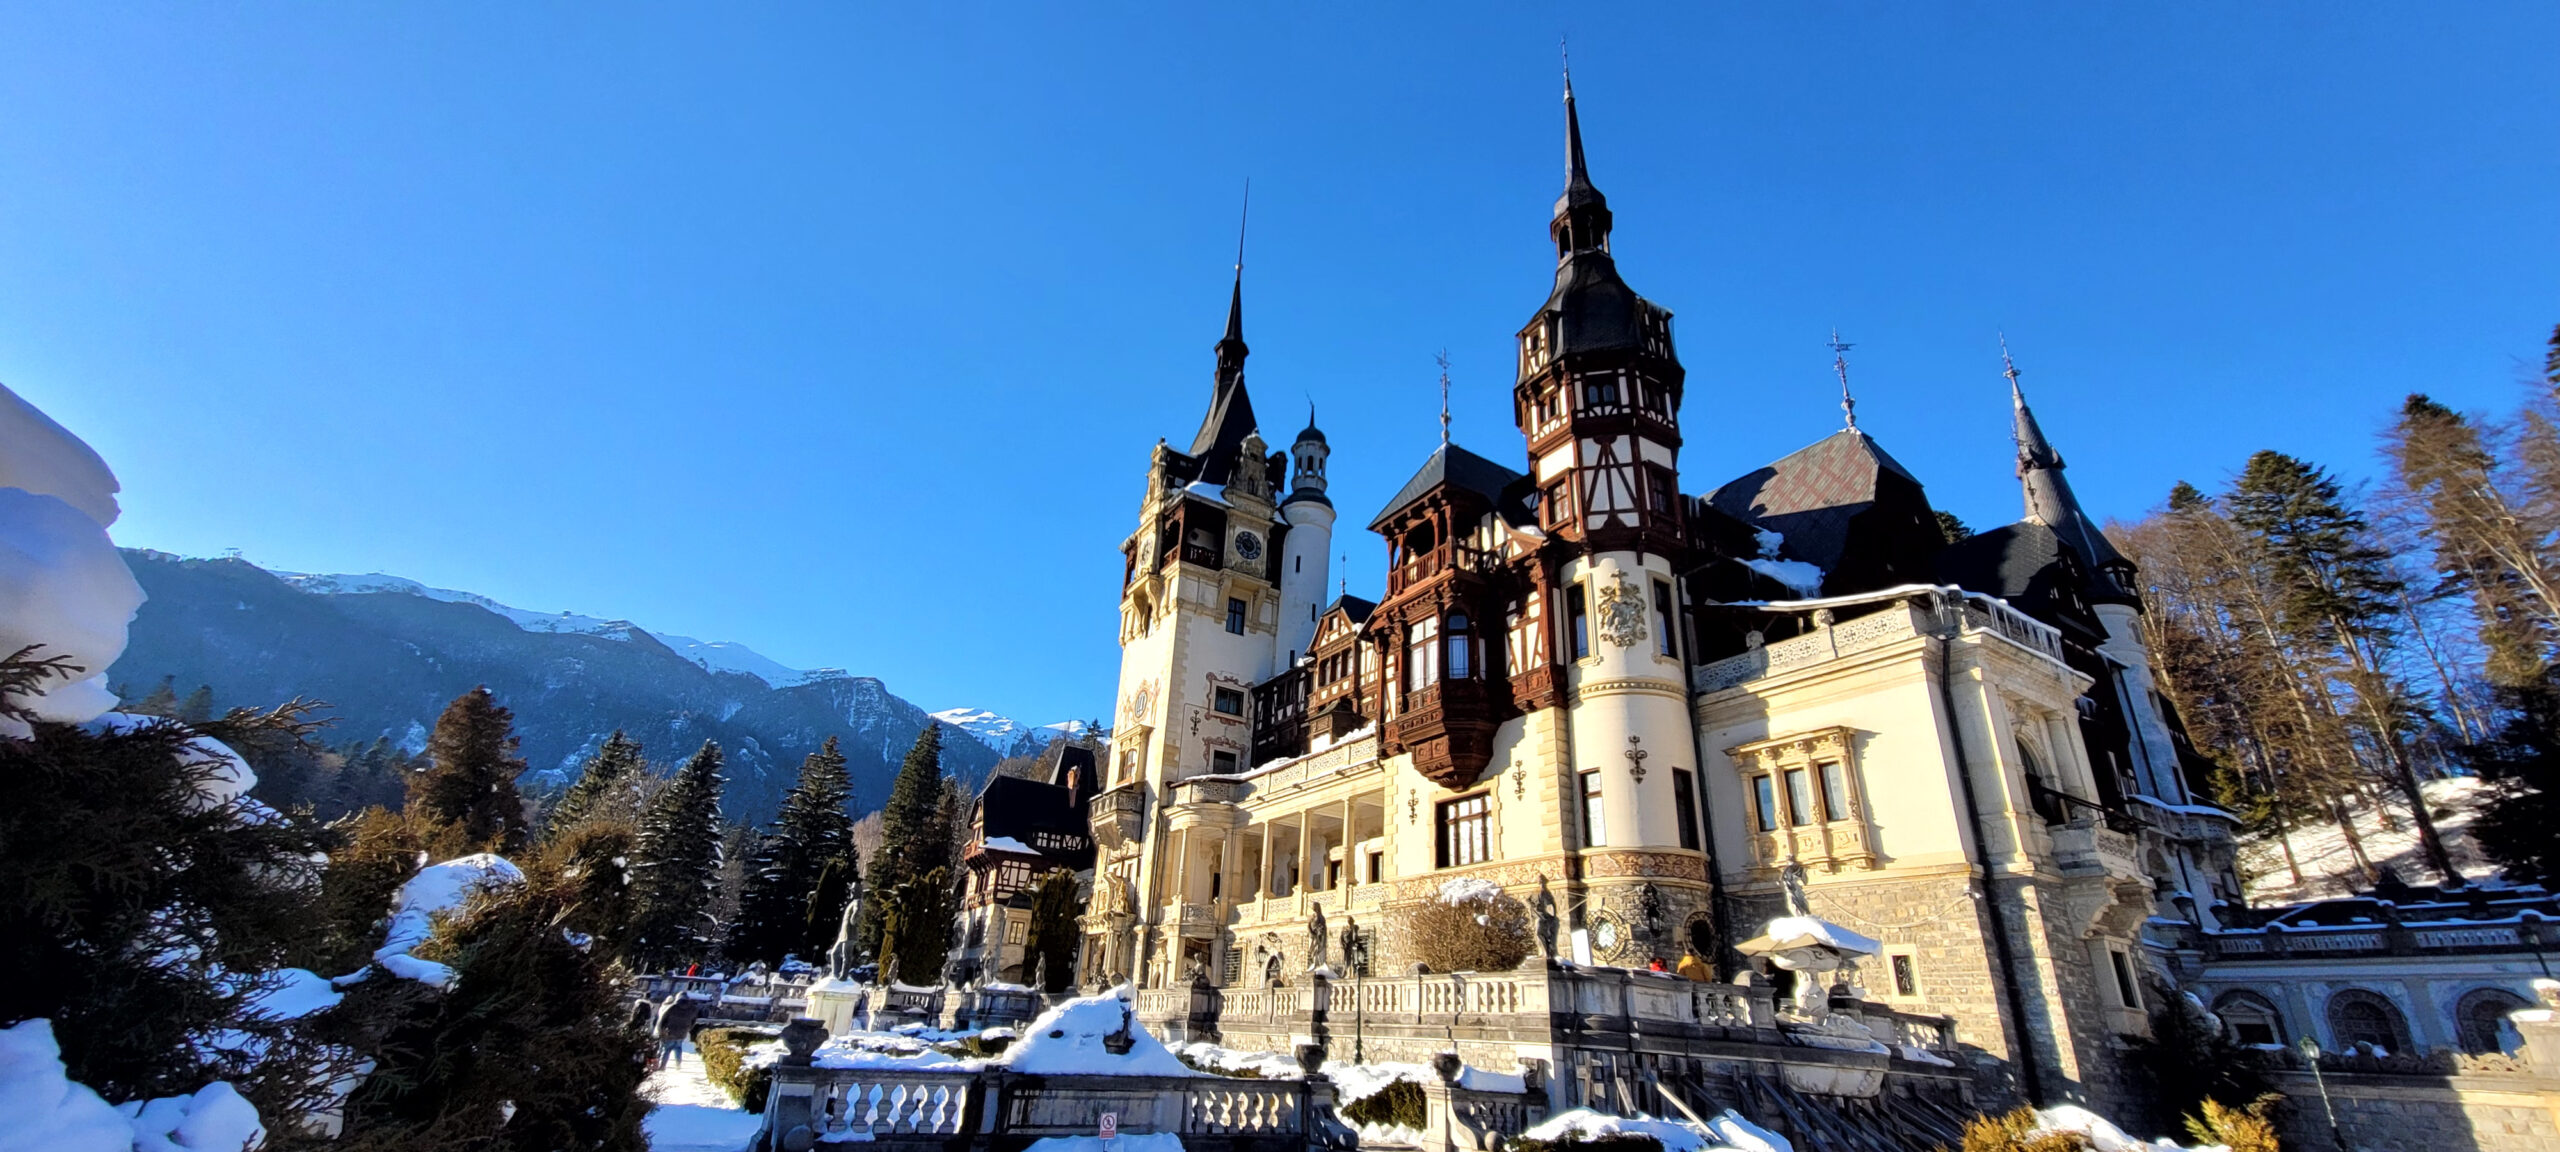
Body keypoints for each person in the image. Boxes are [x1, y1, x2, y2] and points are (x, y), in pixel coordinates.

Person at [653, 994, 702, 1068]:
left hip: (670, 1032)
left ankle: (662, 1066)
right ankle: (678, 1065)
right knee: (678, 1048)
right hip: (682, 1032)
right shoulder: (693, 1009)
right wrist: (688, 1028)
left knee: (666, 1050)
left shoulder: (672, 1007)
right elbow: (694, 1021)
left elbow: (662, 1019)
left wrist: (660, 1030)